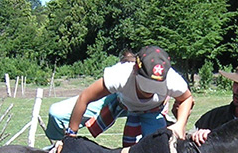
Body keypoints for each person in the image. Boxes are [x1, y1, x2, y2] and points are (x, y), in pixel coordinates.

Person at [46, 46, 194, 147]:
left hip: (152, 111)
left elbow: (187, 98)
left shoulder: (172, 79)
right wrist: (70, 136)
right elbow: (84, 98)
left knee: (158, 148)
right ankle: (57, 149)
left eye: (156, 87)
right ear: (135, 70)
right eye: (147, 86)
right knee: (57, 113)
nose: (150, 91)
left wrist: (180, 124)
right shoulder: (121, 75)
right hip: (119, 101)